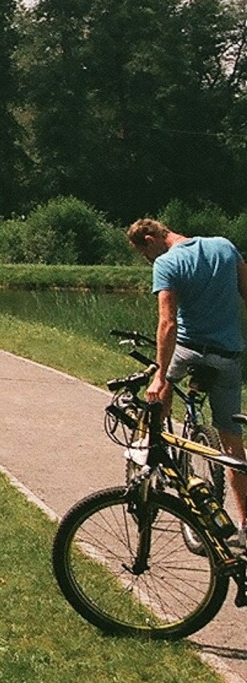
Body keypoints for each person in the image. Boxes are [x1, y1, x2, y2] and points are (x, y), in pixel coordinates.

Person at [127, 217, 247, 523]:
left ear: (150, 240)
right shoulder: (225, 246)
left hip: (189, 349)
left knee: (159, 394)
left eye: (144, 253)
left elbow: (168, 323)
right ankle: (246, 524)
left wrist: (159, 374)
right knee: (232, 442)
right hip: (227, 354)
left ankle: (153, 461)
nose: (147, 259)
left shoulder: (167, 263)